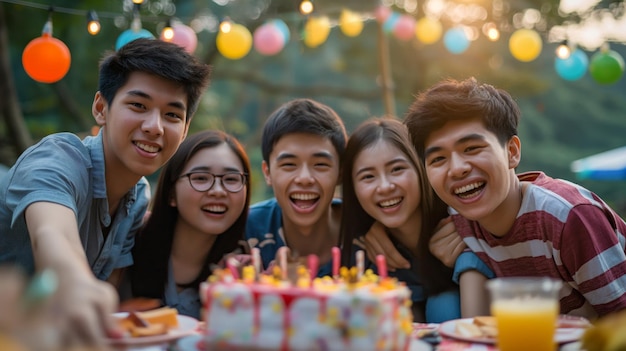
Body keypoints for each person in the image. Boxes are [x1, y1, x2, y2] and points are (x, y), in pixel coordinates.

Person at [0, 38, 211, 346]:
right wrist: (73, 282)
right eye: (138, 105)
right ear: (101, 108)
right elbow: (52, 234)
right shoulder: (57, 159)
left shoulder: (138, 196)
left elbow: (109, 294)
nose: (155, 126)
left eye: (172, 115)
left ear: (185, 130)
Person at [370, 77, 626, 319]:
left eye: (472, 148)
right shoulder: (458, 217)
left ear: (512, 152)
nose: (457, 168)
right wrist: (370, 230)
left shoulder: (567, 216)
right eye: (438, 159)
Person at [339, 117, 491, 322]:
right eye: (368, 177)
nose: (385, 187)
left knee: (444, 304)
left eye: (397, 169)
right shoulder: (366, 251)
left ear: (422, 168)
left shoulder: (461, 226)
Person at [126, 130, 251, 319]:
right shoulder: (128, 244)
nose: (218, 191)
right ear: (171, 194)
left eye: (231, 179)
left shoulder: (243, 270)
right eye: (201, 178)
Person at [245, 98, 347, 276]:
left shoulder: (366, 234)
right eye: (289, 165)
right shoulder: (244, 231)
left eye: (320, 164)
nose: (305, 179)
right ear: (267, 172)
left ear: (340, 172)